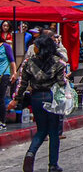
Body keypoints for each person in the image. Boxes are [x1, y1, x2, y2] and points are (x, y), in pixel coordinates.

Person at [11, 34, 69, 172]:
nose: (34, 48)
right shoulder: (58, 63)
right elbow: (61, 83)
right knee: (54, 132)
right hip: (52, 97)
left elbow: (22, 84)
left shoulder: (28, 63)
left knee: (41, 130)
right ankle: (53, 165)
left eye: (36, 46)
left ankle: (30, 155)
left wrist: (16, 99)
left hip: (36, 98)